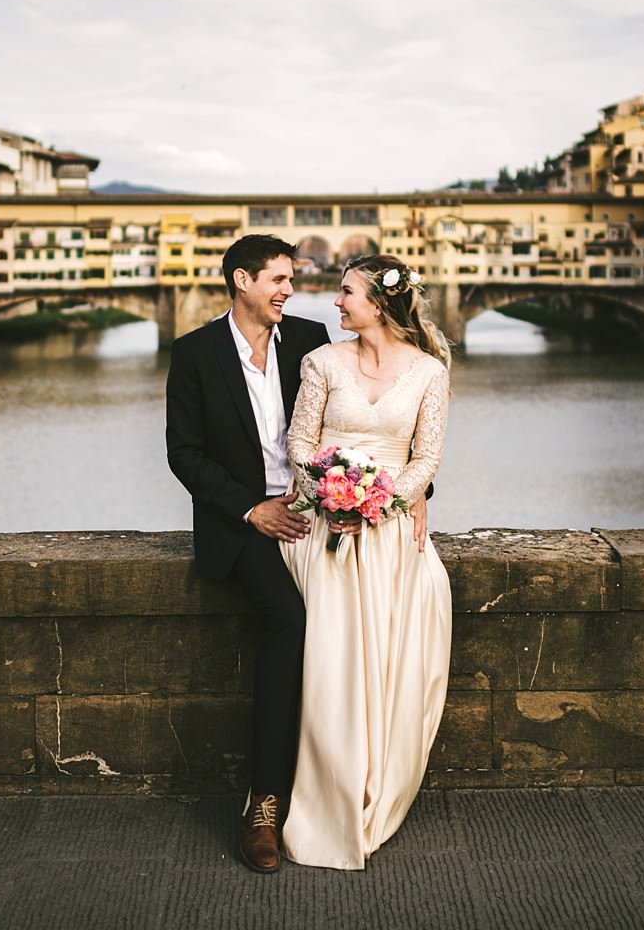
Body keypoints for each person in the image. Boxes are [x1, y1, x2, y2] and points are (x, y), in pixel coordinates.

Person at [279, 253, 452, 870]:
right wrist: (332, 496)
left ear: (377, 304)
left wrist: (379, 503)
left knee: (399, 653)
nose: (336, 301)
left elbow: (426, 458)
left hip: (389, 533)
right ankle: (328, 791)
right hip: (322, 524)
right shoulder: (322, 362)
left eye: (346, 291)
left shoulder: (429, 372)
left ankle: (378, 782)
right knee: (330, 663)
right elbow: (300, 443)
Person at [164, 234, 330, 873]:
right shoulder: (196, 352)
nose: (289, 289)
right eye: (279, 279)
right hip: (241, 524)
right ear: (242, 280)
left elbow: (360, 414)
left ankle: (331, 789)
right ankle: (263, 804)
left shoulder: (311, 340)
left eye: (290, 279)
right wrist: (251, 510)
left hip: (313, 513)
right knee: (287, 620)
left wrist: (412, 489)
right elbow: (184, 454)